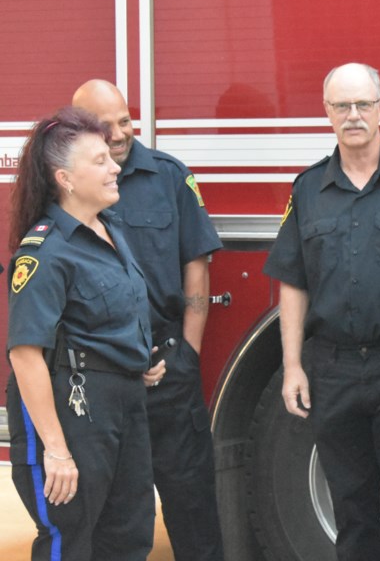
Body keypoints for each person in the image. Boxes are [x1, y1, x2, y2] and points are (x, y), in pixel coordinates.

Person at [263, 62, 380, 561]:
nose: (353, 114)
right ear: (327, 114)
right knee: (352, 509)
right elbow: (293, 284)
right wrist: (294, 366)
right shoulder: (307, 191)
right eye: (341, 106)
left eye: (363, 103)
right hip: (333, 369)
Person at [72, 80, 225, 561]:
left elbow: (196, 266)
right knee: (115, 519)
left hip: (168, 370)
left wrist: (188, 352)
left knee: (194, 511)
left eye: (124, 120)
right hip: (102, 379)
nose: (118, 134)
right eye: (105, 125)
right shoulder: (66, 184)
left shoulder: (169, 177)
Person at [6, 107, 158, 560]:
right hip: (74, 412)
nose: (115, 167)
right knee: (70, 539)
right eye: (100, 161)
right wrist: (56, 450)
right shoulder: (45, 251)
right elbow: (25, 353)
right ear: (65, 179)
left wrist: (136, 361)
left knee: (129, 536)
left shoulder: (108, 231)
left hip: (123, 405)